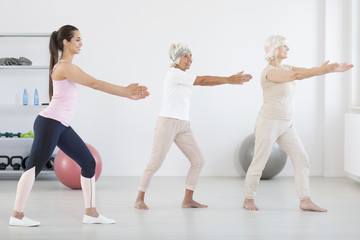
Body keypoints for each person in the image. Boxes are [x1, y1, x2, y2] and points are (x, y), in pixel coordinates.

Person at [9, 25, 149, 227]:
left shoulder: (70, 67)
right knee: (34, 167)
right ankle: (17, 215)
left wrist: (127, 92)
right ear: (65, 42)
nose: (81, 43)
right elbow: (94, 83)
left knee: (88, 163)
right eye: (77, 39)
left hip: (61, 125)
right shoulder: (64, 67)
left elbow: (93, 81)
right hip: (50, 123)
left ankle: (91, 213)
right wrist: (126, 91)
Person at [135, 42, 252, 210]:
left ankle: (188, 200)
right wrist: (229, 80)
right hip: (167, 121)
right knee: (155, 163)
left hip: (183, 124)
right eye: (185, 56)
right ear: (176, 60)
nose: (189, 59)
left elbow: (205, 82)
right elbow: (203, 81)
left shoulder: (185, 75)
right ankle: (139, 198)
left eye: (190, 55)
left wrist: (228, 81)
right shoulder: (173, 74)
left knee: (198, 160)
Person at [243, 35, 353, 212]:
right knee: (259, 161)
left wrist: (326, 69)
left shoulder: (286, 67)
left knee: (302, 158)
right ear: (274, 49)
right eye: (284, 46)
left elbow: (304, 71)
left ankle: (305, 200)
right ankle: (248, 198)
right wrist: (322, 71)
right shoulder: (268, 71)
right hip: (268, 122)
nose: (288, 49)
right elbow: (295, 76)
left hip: (287, 124)